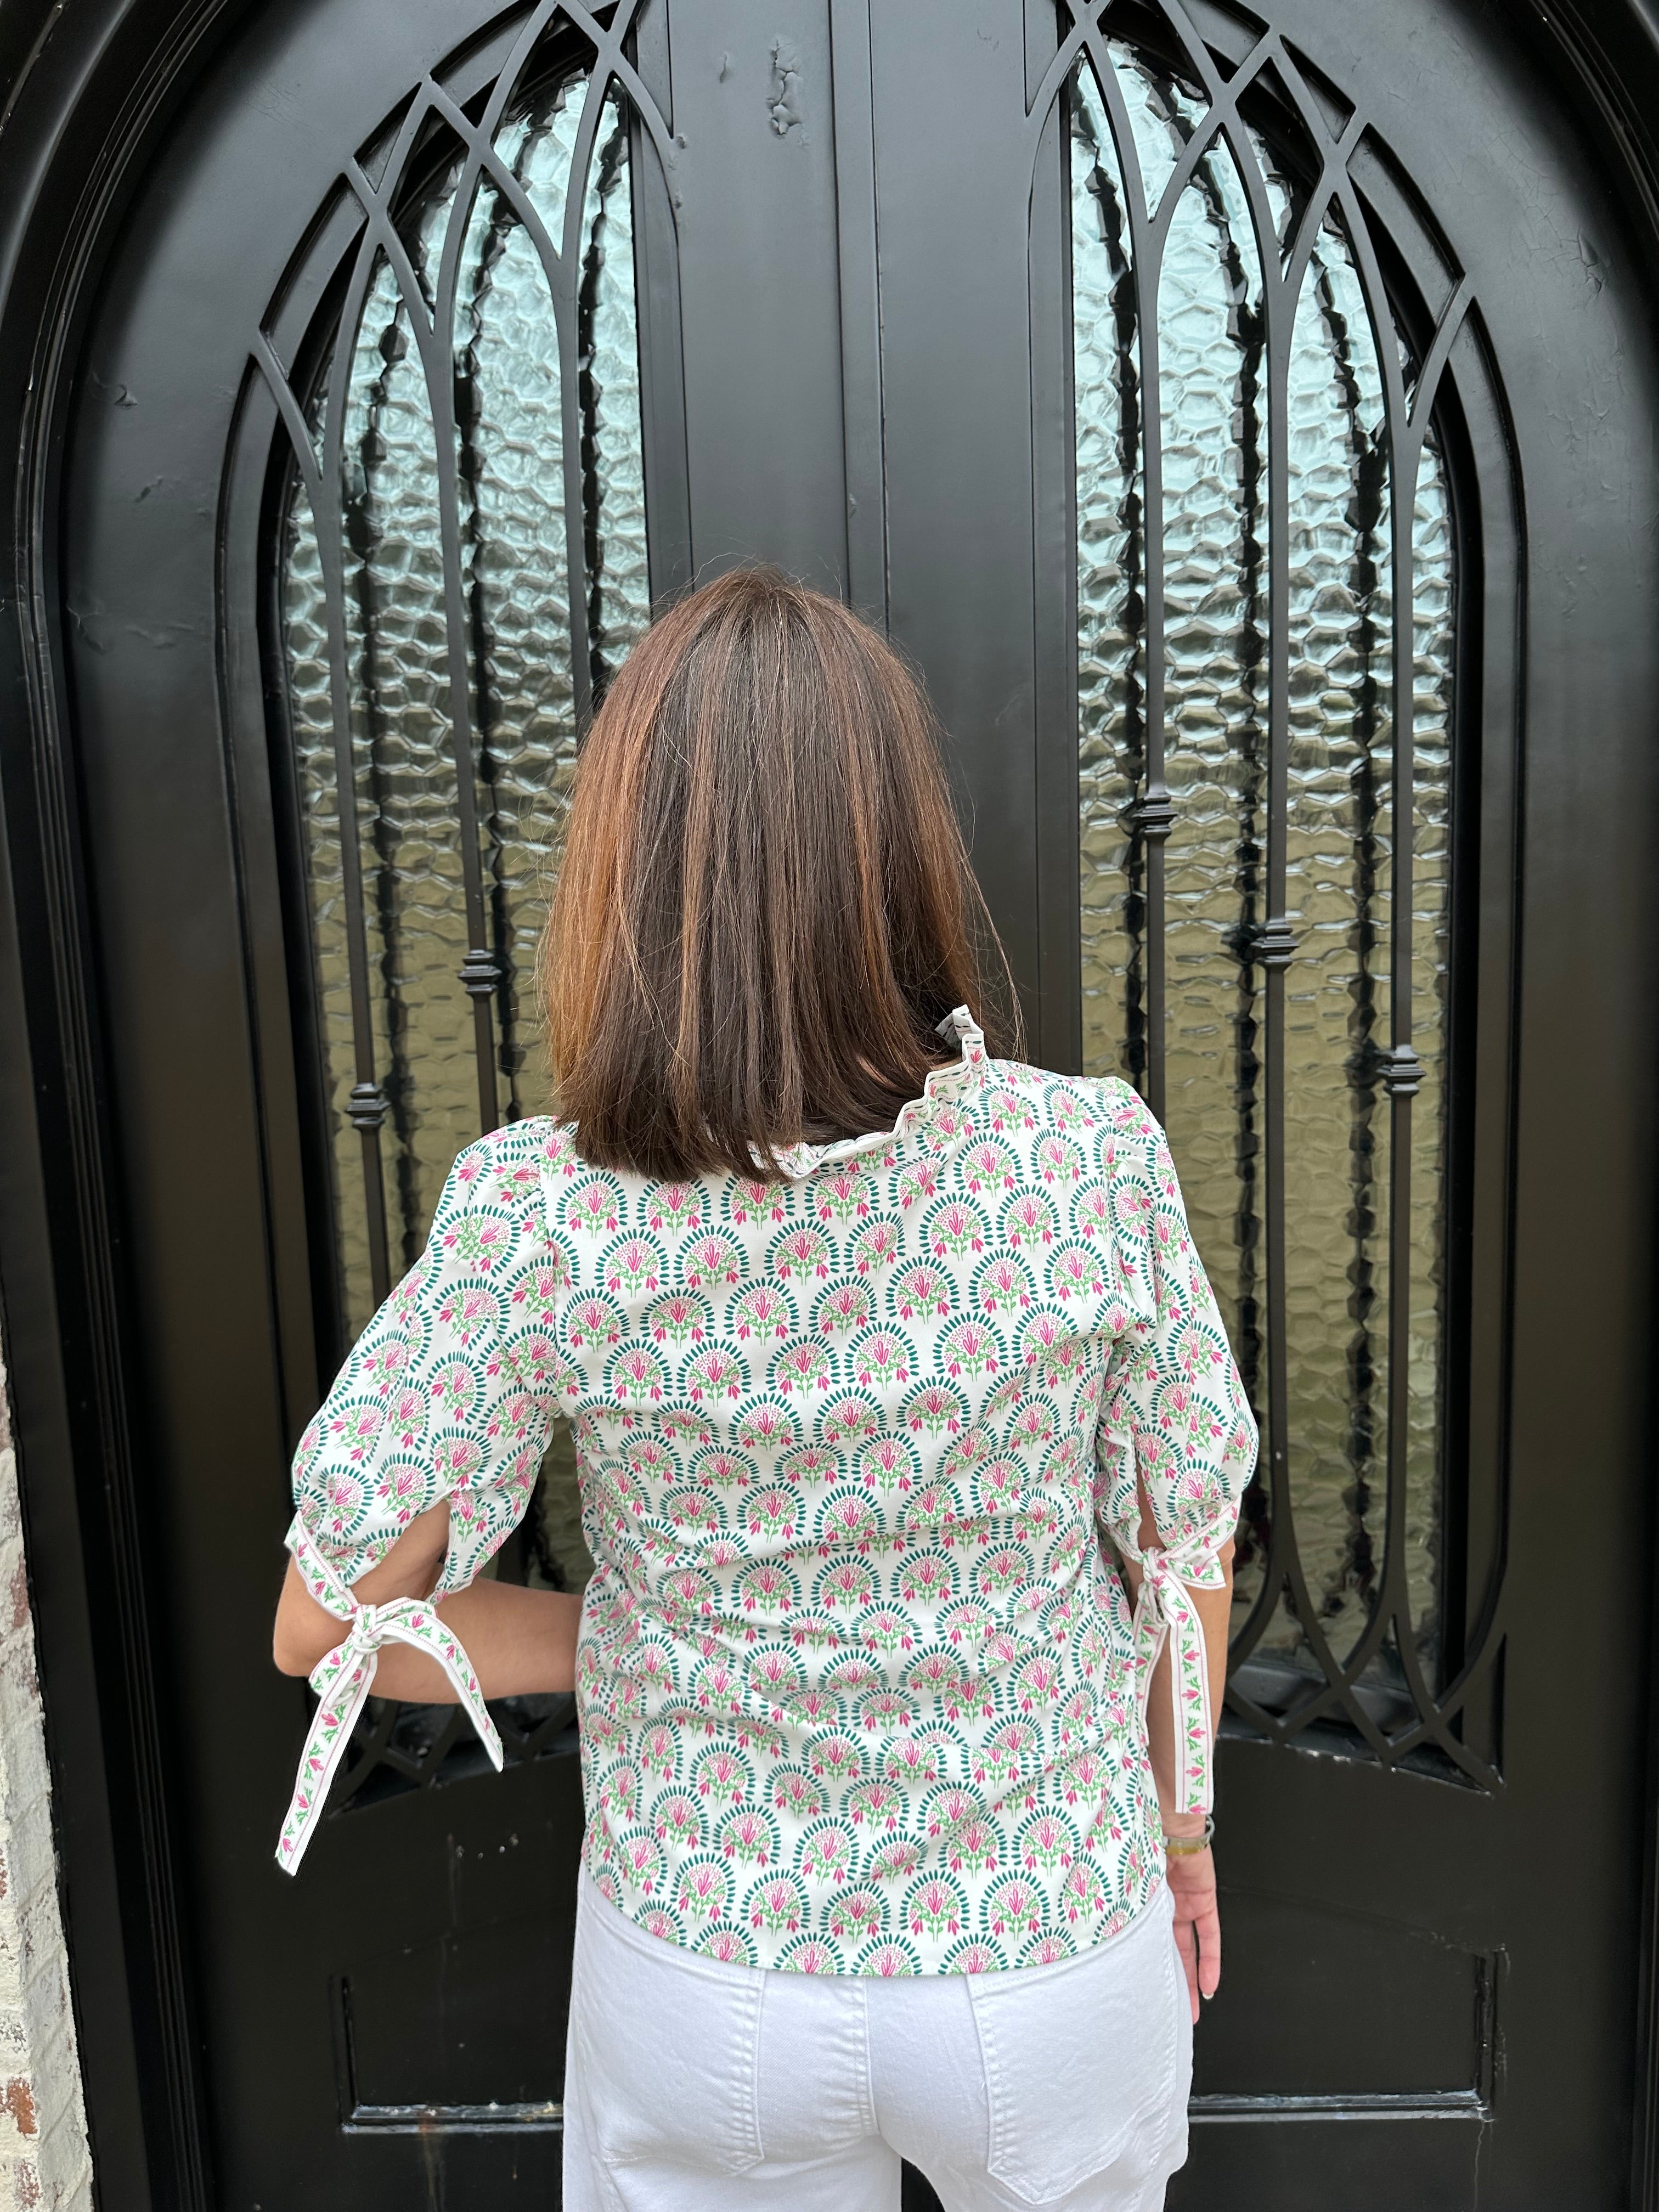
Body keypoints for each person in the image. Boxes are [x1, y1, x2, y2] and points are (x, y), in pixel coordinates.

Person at [272, 568, 1257, 2211]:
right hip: (1050, 1938)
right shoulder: (1088, 1157)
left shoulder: (545, 1211)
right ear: (899, 846)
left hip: (707, 1970)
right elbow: (1184, 1555)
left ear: (627, 870)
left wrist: (626, 1637)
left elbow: (325, 1622)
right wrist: (1184, 1833)